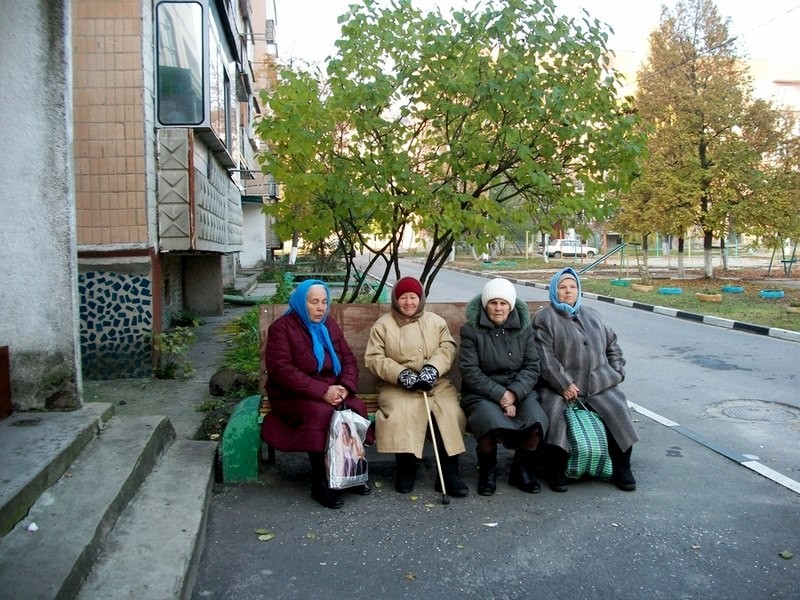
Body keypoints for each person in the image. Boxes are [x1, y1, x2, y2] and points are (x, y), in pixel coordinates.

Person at [261, 279, 373, 509]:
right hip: (292, 395)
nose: (321, 308)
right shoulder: (282, 328)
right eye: (314, 302)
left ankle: (350, 473)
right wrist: (322, 391)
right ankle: (321, 482)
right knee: (321, 414)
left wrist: (345, 387)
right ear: (302, 303)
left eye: (324, 302)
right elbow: (282, 370)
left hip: (332, 389)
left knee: (356, 407)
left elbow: (349, 360)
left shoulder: (328, 324)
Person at [532, 267, 639, 492]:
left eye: (572, 287)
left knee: (618, 406)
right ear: (554, 291)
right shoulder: (545, 318)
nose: (568, 291)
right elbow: (545, 357)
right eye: (562, 287)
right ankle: (557, 469)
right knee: (553, 410)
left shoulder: (593, 315)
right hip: (559, 386)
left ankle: (622, 467)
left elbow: (613, 346)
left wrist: (617, 372)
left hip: (600, 384)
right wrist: (563, 384)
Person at [364, 276, 469, 497]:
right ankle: (406, 468)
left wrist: (432, 369)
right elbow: (374, 358)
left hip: (435, 384)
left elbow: (447, 348)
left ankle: (449, 474)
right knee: (403, 413)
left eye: (413, 297)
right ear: (396, 299)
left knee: (449, 412)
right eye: (403, 297)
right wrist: (402, 375)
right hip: (396, 386)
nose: (409, 302)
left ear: (420, 299)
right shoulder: (383, 325)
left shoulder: (435, 322)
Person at [459, 278, 549, 496]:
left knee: (536, 421)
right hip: (481, 393)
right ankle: (487, 473)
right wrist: (500, 395)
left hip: (519, 391)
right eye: (493, 303)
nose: (498, 308)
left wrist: (515, 394)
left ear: (510, 305)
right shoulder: (471, 331)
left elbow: (532, 365)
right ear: (485, 305)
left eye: (503, 303)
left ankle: (521, 470)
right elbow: (470, 371)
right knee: (488, 422)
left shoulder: (524, 329)